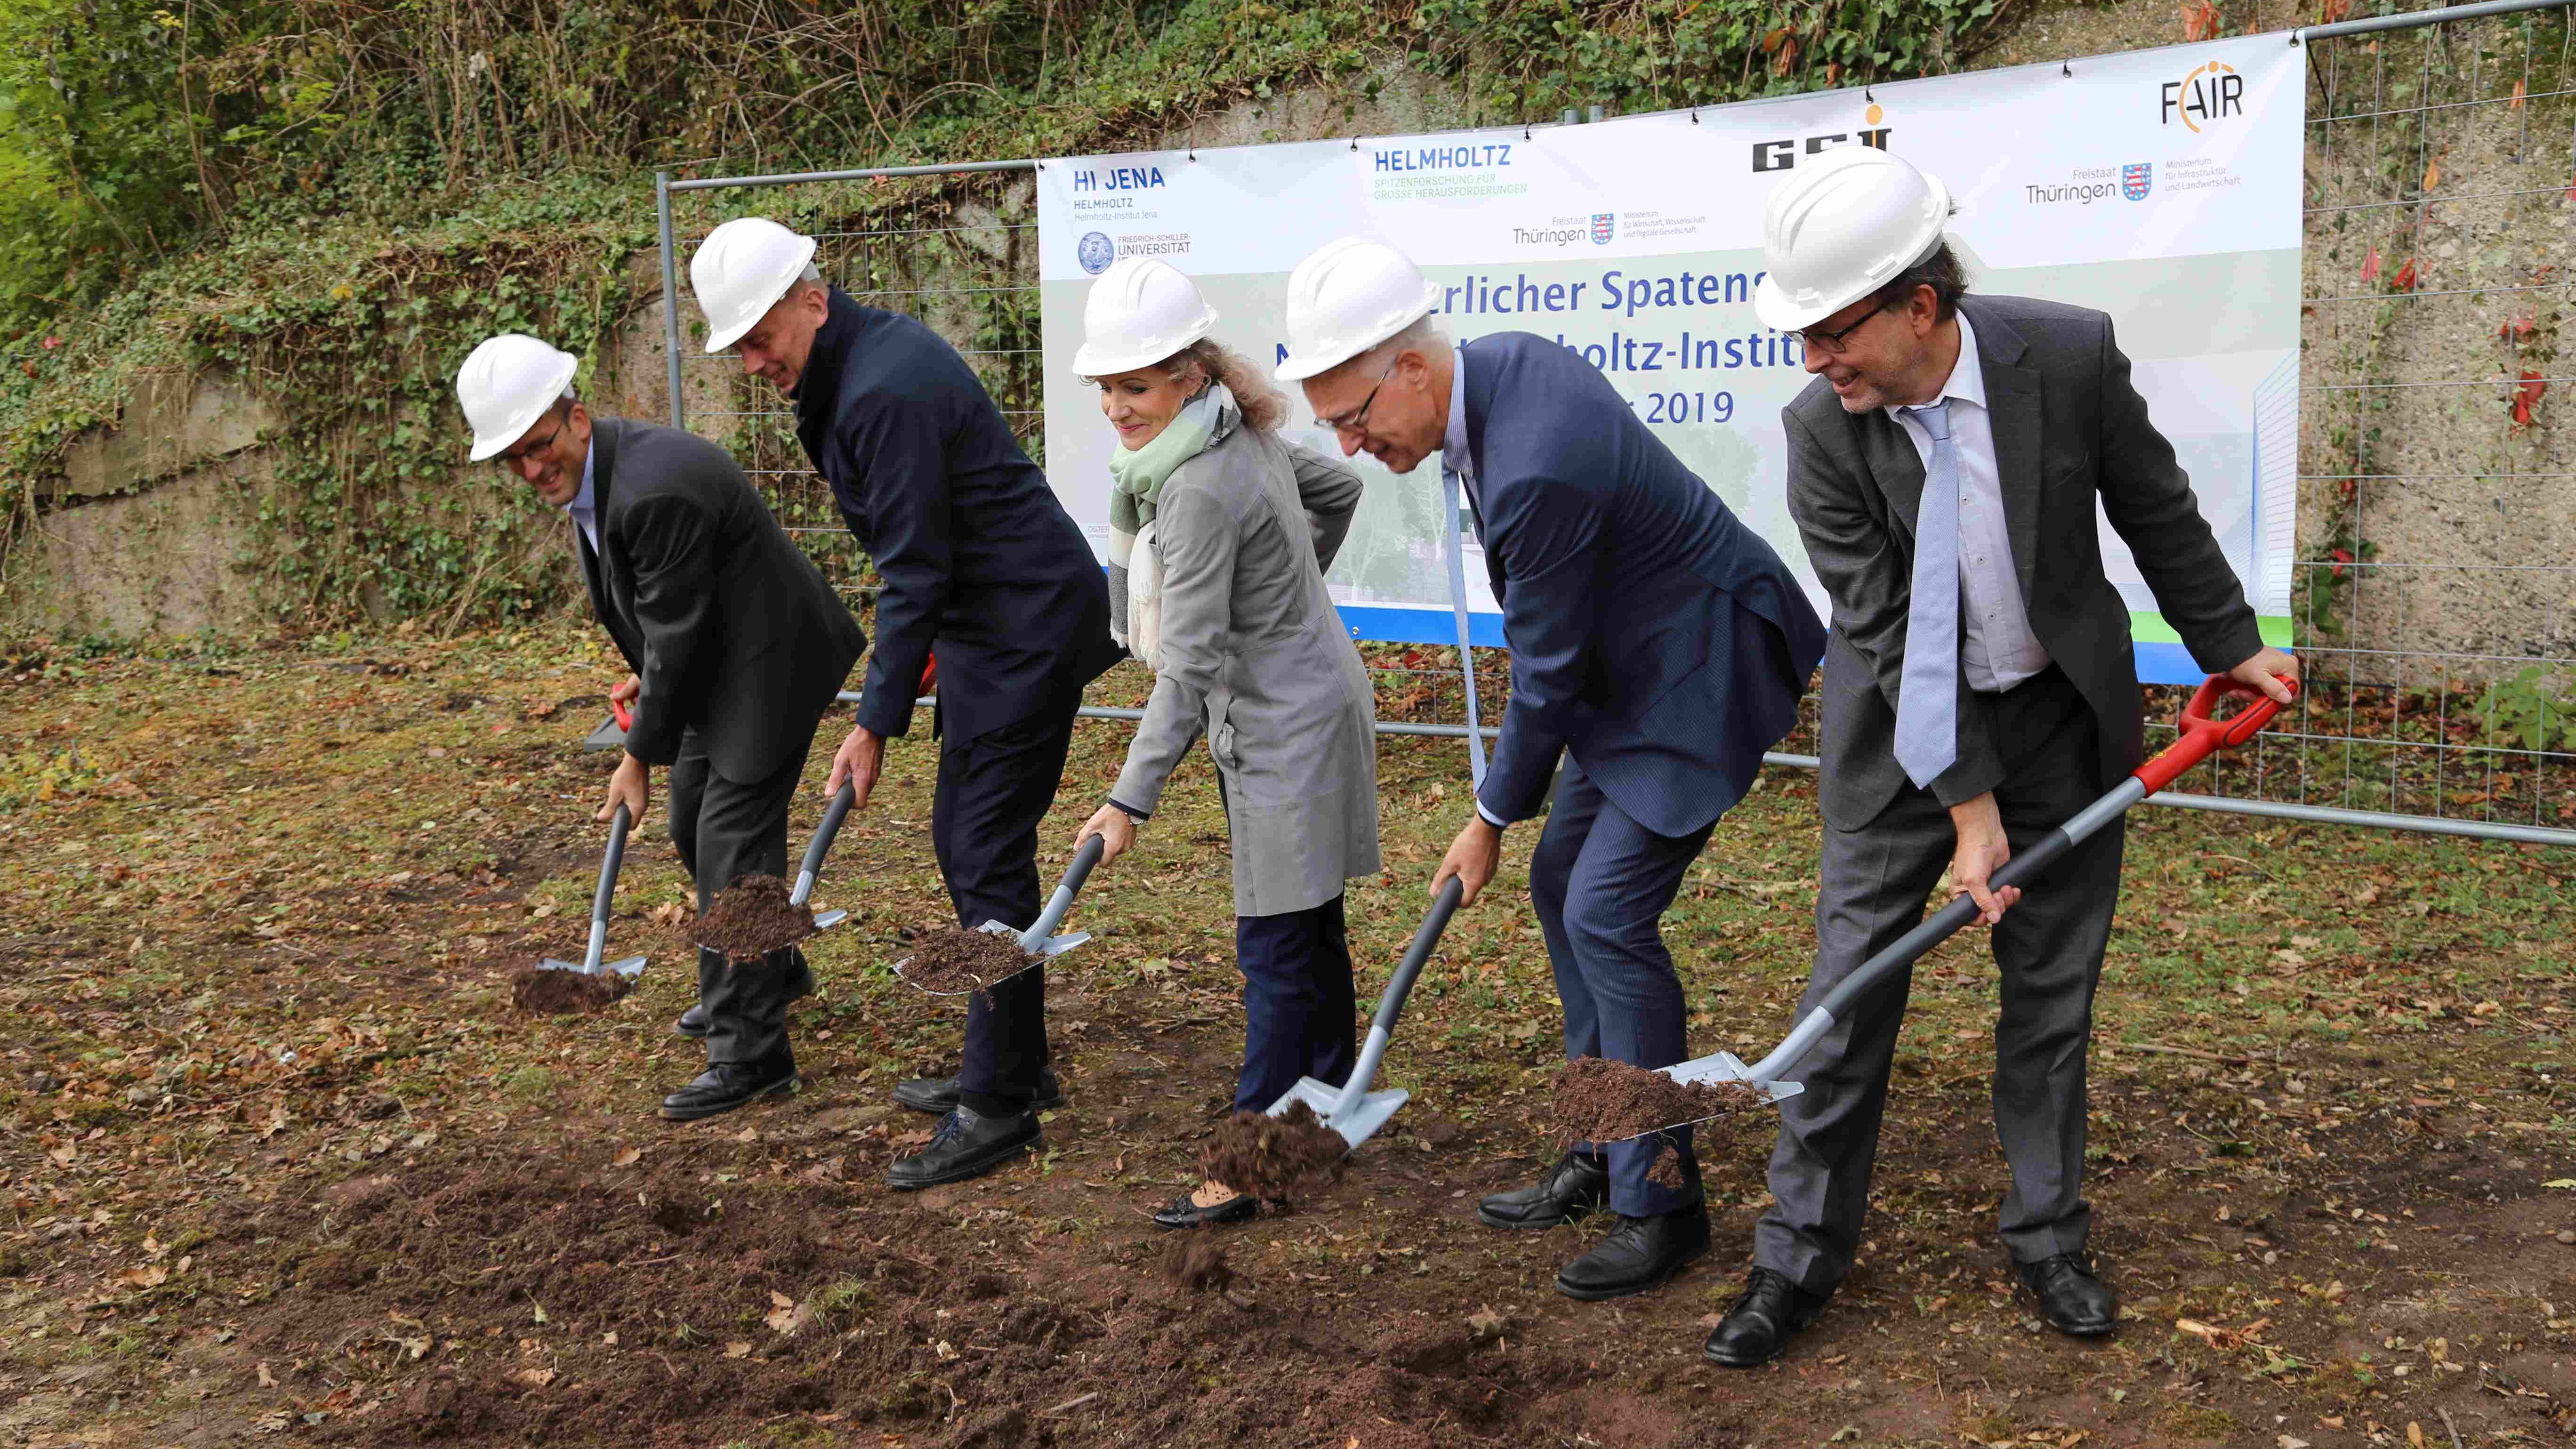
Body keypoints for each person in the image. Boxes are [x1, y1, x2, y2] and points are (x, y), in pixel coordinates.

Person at [1702, 146, 2302, 1366]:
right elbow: (1880, 627)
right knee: (1848, 993)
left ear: (1920, 304)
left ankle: (2047, 1235)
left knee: (2048, 1000)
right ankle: (1797, 1256)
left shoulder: (2066, 358)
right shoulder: (1822, 429)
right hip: (1901, 755)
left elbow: (2156, 504)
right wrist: (1967, 810)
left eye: (1830, 330)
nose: (1813, 357)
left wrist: (2229, 644)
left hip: (2056, 726)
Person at [1278, 239, 1827, 1301]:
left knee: (1607, 916)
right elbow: (1560, 658)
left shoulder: (1534, 460)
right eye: (1332, 426)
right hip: (1634, 672)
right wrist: (1507, 817)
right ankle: (1598, 1141)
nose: (1348, 446)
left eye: (1355, 417)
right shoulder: (1504, 369)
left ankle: (1660, 1199)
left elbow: (1548, 672)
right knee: (1558, 886)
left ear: (1415, 370)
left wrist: (1489, 812)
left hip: (1697, 673)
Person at [689, 218, 1121, 1189]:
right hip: (994, 625)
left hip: (1024, 628)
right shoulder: (858, 369)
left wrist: (873, 720)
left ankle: (999, 1103)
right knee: (977, 843)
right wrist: (915, 661)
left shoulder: (880, 389)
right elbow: (928, 551)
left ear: (813, 297)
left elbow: (913, 568)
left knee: (980, 846)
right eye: (740, 347)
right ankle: (1017, 1064)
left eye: (763, 336)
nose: (755, 361)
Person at [454, 333, 863, 1121]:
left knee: (731, 840)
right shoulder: (599, 478)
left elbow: (677, 629)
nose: (533, 468)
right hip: (721, 656)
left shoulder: (650, 487)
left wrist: (637, 753)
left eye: (539, 446)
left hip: (771, 661)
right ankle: (771, 970)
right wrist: (654, 673)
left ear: (576, 418)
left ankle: (752, 1054)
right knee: (690, 822)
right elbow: (670, 613)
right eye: (514, 459)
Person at [1059, 258, 1380, 1229]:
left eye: (1139, 385)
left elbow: (1189, 672)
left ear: (1191, 375)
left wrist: (1127, 800)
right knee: (1310, 923)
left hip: (1284, 726)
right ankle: (1326, 1112)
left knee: (1276, 944)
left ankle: (1258, 1152)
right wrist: (1286, 599)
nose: (1117, 406)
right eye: (1107, 387)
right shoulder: (1246, 435)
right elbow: (1342, 493)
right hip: (1318, 697)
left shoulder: (1195, 489)